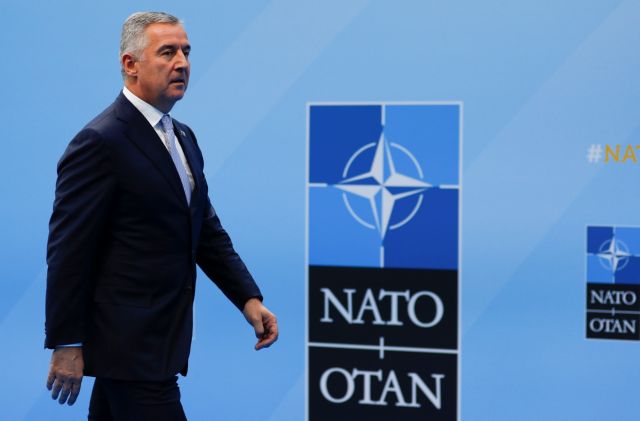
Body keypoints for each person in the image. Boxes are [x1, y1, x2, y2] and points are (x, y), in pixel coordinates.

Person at [44, 11, 278, 420]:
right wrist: (66, 341)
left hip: (159, 343)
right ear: (130, 64)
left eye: (186, 52)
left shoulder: (183, 136)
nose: (182, 63)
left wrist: (247, 297)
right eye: (168, 52)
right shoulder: (100, 142)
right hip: (131, 349)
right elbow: (68, 251)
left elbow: (203, 229)